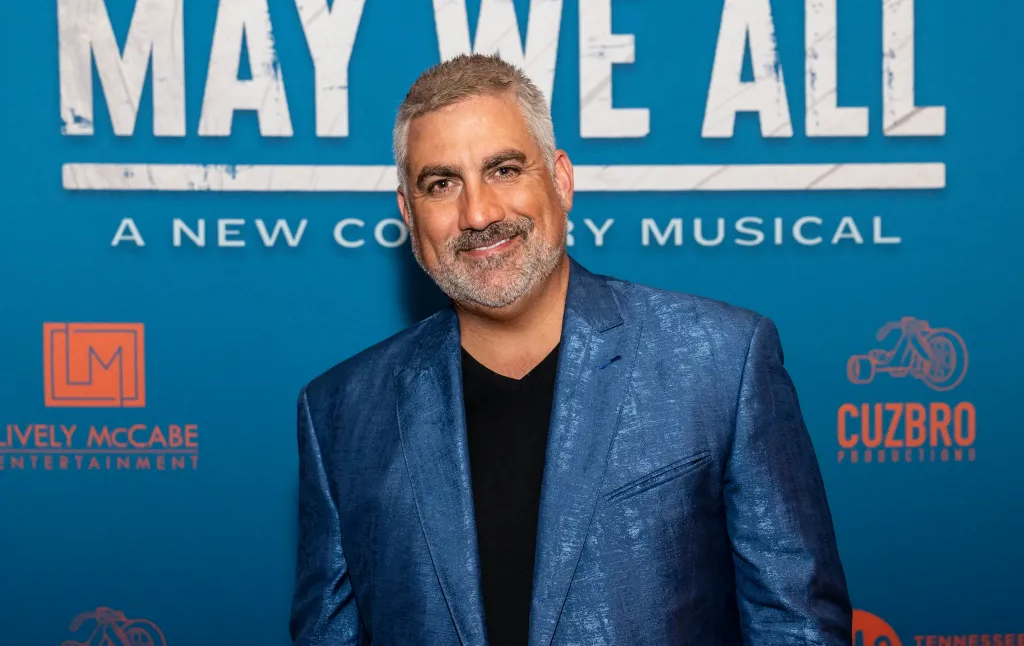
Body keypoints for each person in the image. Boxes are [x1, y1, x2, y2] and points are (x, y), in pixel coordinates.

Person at [289, 53, 852, 646]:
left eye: (504, 169)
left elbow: (797, 628)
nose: (478, 213)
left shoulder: (720, 362)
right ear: (408, 213)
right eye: (441, 184)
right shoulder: (340, 413)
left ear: (560, 180)